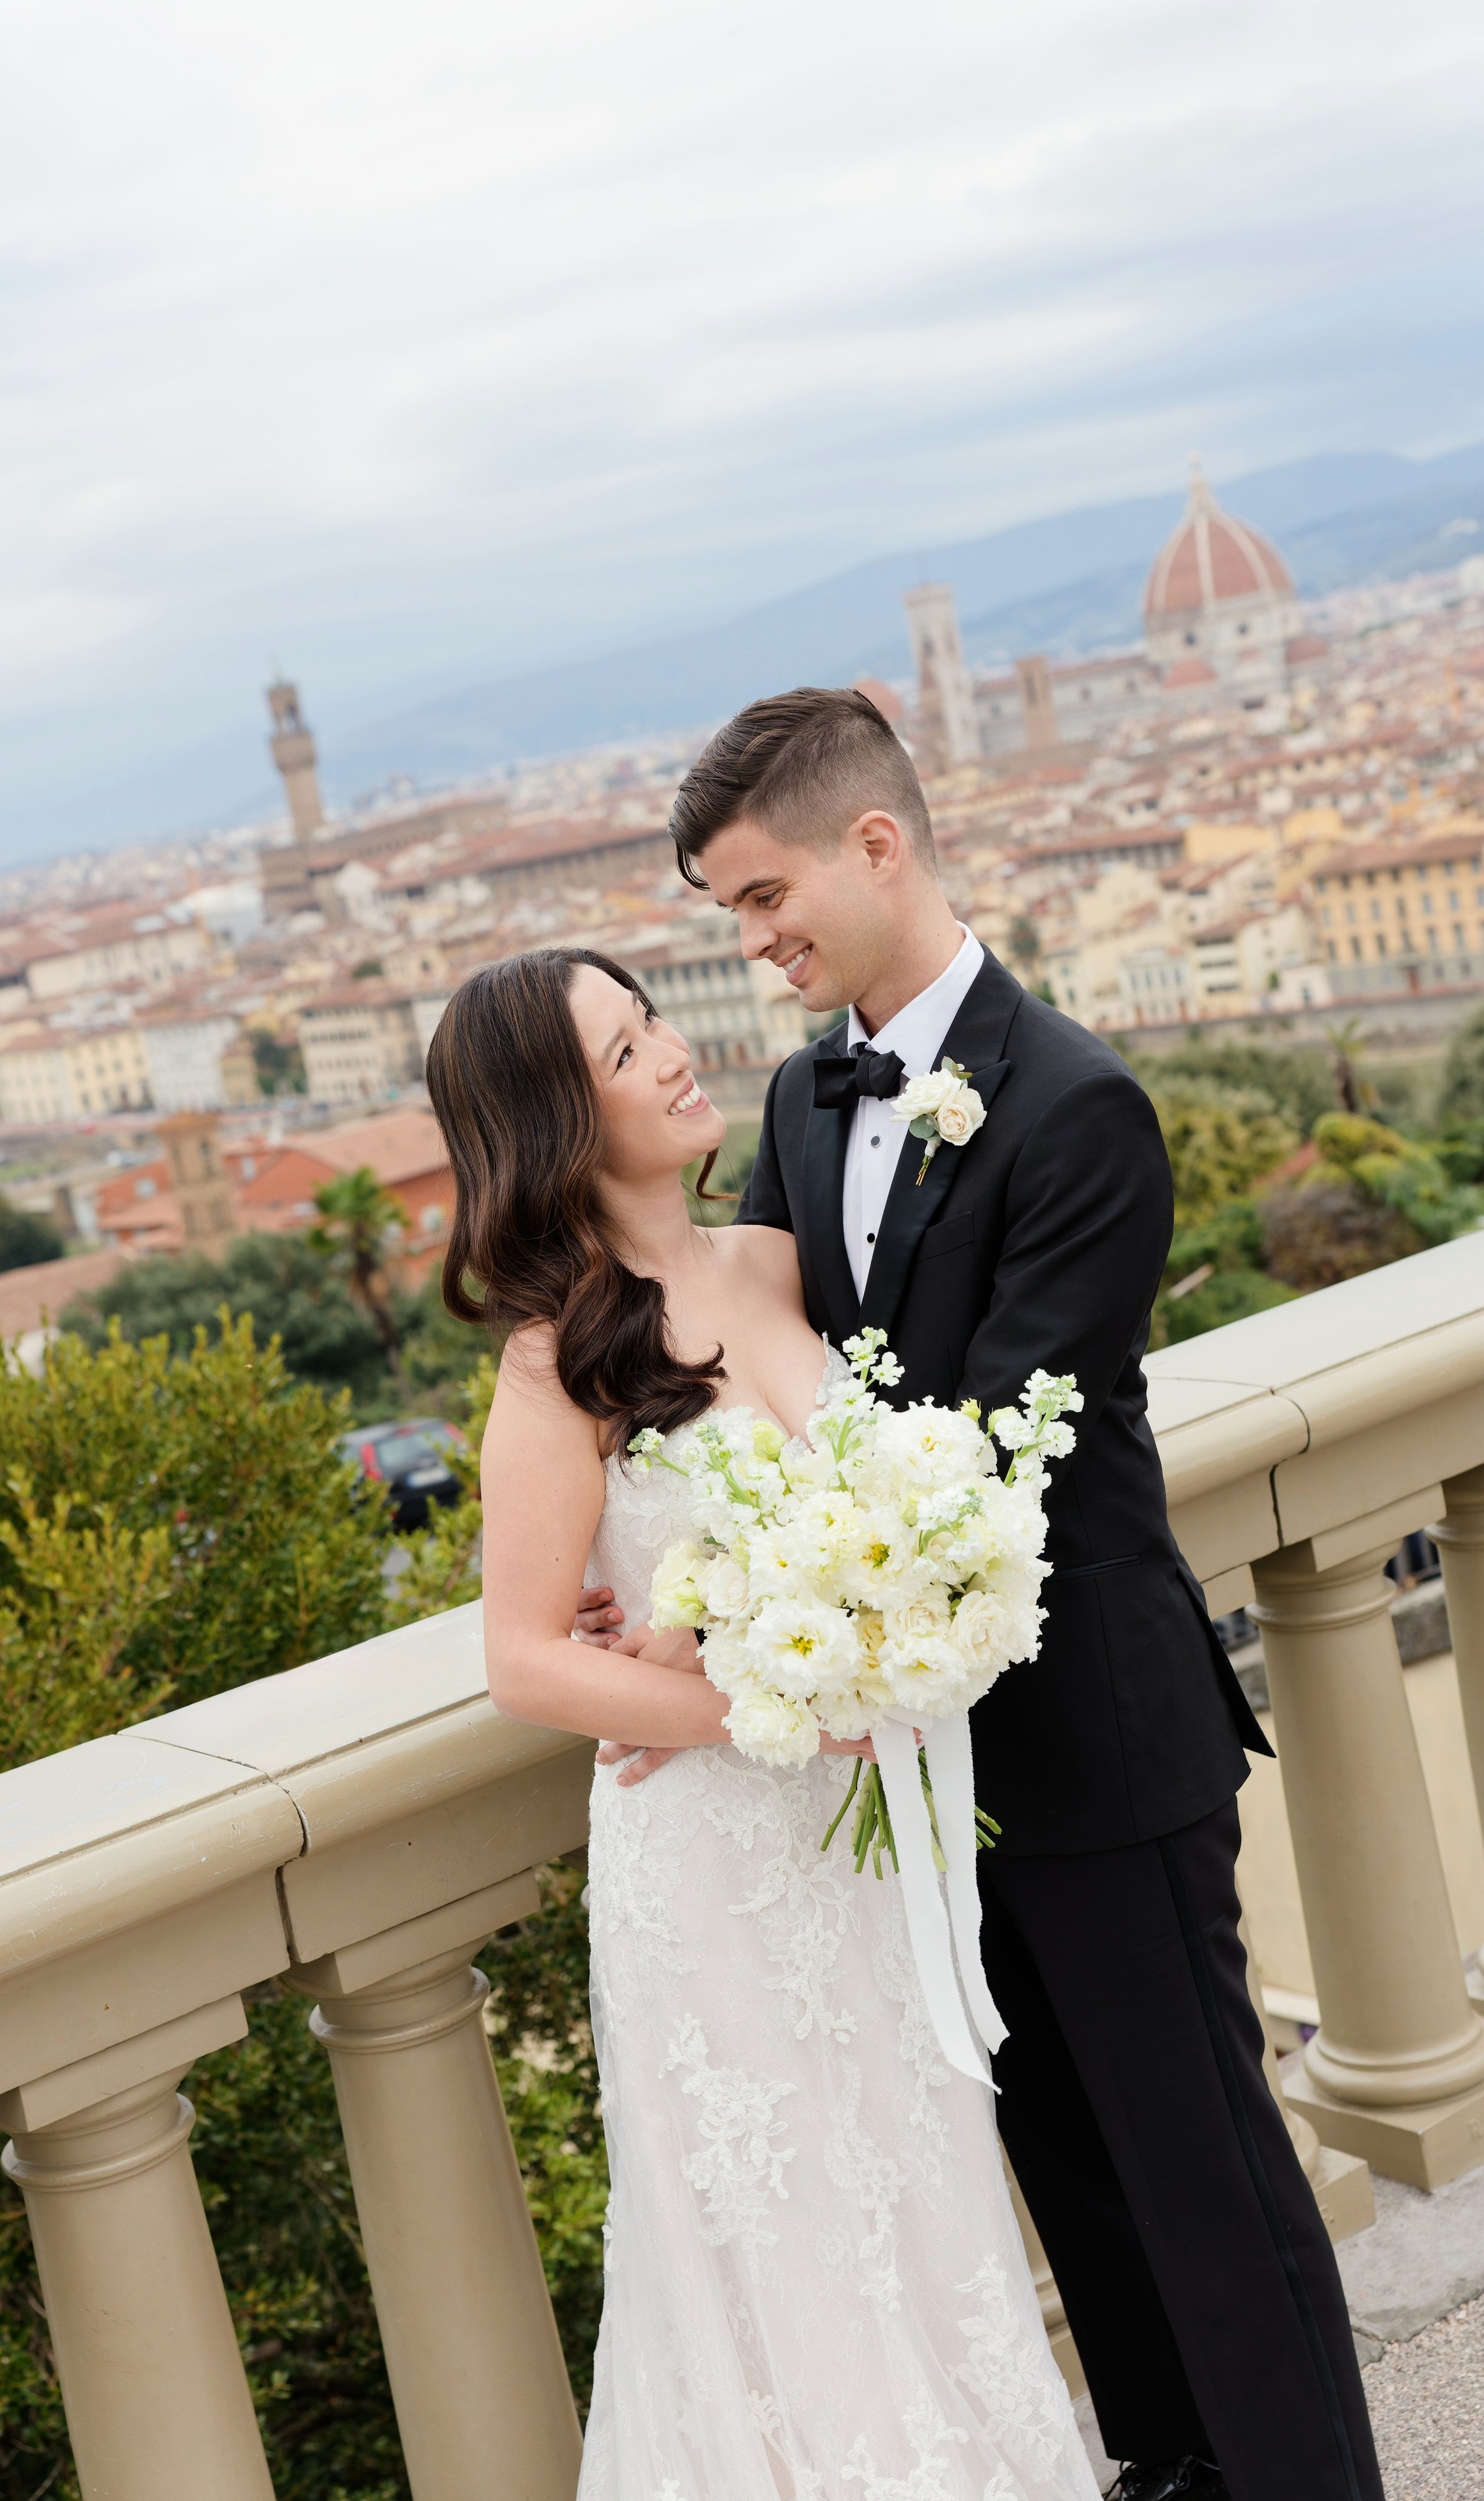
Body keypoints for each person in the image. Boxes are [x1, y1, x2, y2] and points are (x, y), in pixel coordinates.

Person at [570, 687, 1384, 2501]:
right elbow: (748, 1371)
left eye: (764, 895)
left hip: (1091, 1734)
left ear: (877, 843)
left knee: (1211, 2196)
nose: (754, 942)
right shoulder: (799, 1092)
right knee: (1078, 2196)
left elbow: (974, 1456)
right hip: (900, 1777)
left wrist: (713, 1608)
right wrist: (667, 1566)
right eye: (725, 913)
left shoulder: (1083, 1106)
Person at [430, 943, 1103, 2501]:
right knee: (784, 2242)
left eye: (651, 1016)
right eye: (620, 1050)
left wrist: (883, 1642)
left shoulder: (777, 1263)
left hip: (868, 1842)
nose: (671, 1052)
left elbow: (888, 1502)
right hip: (720, 1862)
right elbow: (526, 1658)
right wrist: (759, 1700)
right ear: (551, 1119)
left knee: (919, 2201)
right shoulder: (555, 1361)